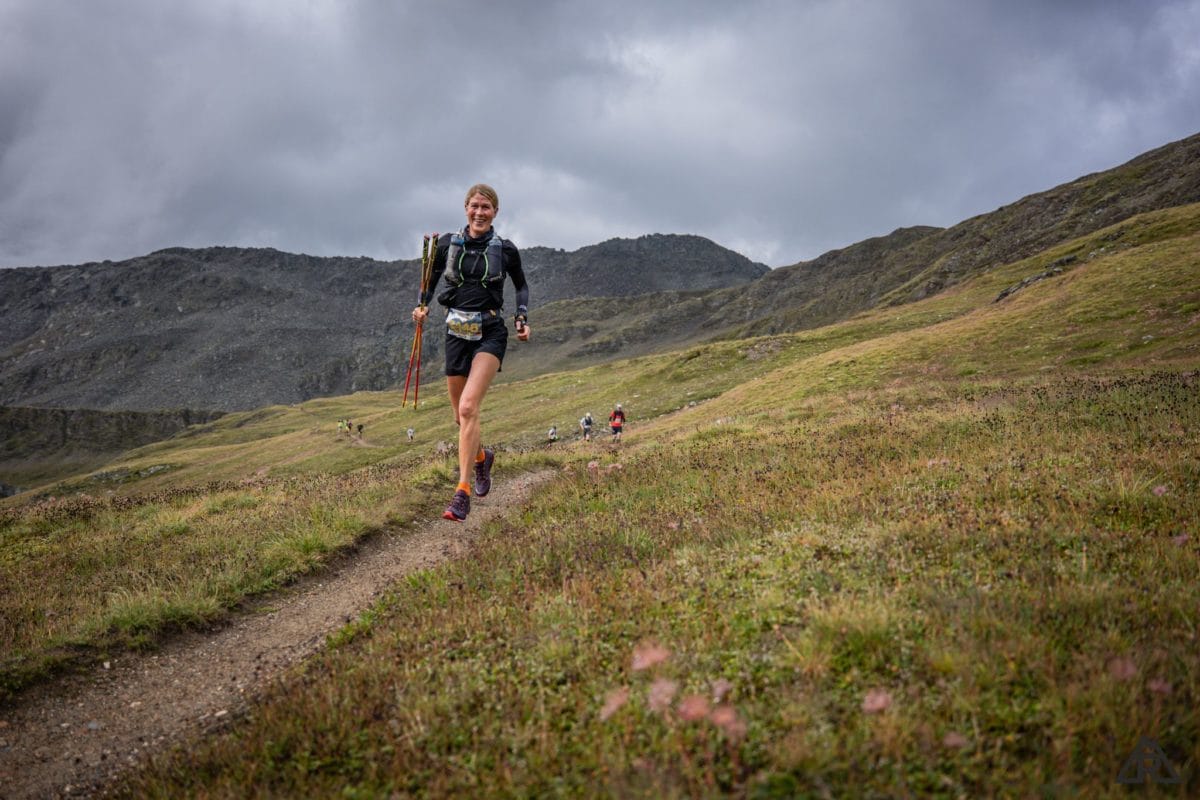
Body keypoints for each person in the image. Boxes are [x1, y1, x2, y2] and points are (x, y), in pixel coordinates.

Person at [412, 183, 529, 522]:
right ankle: (481, 458)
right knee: (459, 417)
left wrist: (522, 317)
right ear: (466, 208)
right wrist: (421, 307)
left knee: (468, 407)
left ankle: (461, 492)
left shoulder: (506, 250)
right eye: (475, 206)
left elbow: (521, 285)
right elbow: (430, 280)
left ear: (495, 212)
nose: (480, 212)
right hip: (455, 332)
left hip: (490, 332)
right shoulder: (448, 244)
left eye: (486, 207)